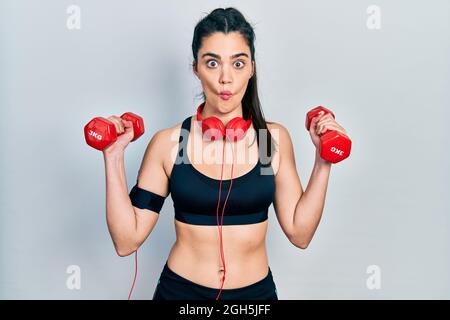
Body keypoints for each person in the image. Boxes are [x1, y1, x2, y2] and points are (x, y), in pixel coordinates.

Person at [102, 7, 348, 300]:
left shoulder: (269, 142)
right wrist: (113, 155)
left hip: (254, 299)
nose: (226, 78)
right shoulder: (171, 144)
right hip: (180, 295)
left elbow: (300, 234)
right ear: (195, 68)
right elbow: (126, 242)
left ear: (252, 68)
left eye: (238, 63)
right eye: (212, 63)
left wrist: (323, 161)